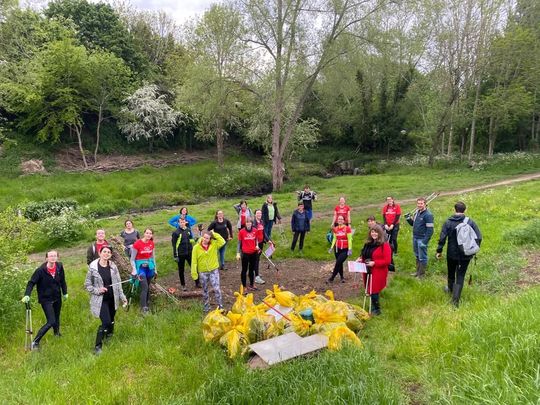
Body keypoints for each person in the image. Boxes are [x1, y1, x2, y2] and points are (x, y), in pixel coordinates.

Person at [436, 201, 482, 307]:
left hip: (451, 254)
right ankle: (455, 301)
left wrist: (439, 250)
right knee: (460, 275)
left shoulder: (448, 222)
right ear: (465, 210)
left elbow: (442, 238)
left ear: (454, 209)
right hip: (465, 254)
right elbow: (479, 237)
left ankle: (450, 290)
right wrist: (473, 250)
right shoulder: (470, 222)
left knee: (451, 272)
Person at [84, 246, 127, 355]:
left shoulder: (113, 267)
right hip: (101, 300)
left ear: (111, 255)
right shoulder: (93, 268)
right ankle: (97, 347)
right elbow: (87, 285)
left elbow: (118, 283)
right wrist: (98, 290)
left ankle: (109, 335)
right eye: (104, 252)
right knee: (106, 322)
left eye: (109, 252)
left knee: (112, 319)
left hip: (113, 298)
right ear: (100, 253)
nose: (106, 254)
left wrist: (122, 297)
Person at [21, 250, 68, 350]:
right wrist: (27, 295)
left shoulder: (59, 266)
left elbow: (63, 281)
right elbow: (31, 283)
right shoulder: (40, 270)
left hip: (57, 297)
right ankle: (35, 342)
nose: (53, 258)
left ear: (57, 257)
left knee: (57, 316)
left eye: (55, 256)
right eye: (51, 256)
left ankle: (56, 334)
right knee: (51, 321)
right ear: (46, 258)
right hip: (45, 299)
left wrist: (65, 292)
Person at [357, 226, 392, 315]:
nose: (374, 234)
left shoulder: (385, 245)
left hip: (378, 271)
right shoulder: (368, 243)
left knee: (374, 289)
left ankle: (377, 309)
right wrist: (360, 259)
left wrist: (375, 263)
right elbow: (364, 255)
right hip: (367, 269)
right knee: (369, 288)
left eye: (376, 232)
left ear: (380, 233)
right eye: (372, 232)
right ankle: (373, 304)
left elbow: (387, 261)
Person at [191, 230, 226, 313]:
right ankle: (206, 306)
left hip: (213, 270)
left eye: (207, 238)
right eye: (204, 237)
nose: (205, 239)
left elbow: (222, 241)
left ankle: (220, 306)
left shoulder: (214, 244)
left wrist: (214, 233)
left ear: (210, 239)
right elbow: (194, 261)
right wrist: (194, 274)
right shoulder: (196, 248)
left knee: (217, 288)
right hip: (203, 272)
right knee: (205, 290)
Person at [130, 228, 157, 314]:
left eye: (150, 233)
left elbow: (153, 257)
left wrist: (155, 269)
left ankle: (147, 302)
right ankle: (143, 308)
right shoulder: (137, 243)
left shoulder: (151, 243)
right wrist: (134, 270)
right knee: (144, 287)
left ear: (152, 235)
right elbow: (132, 259)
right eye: (147, 233)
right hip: (140, 268)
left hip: (149, 267)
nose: (148, 235)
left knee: (148, 286)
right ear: (144, 233)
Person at [406, 197, 434, 278]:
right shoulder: (417, 212)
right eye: (418, 203)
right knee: (417, 255)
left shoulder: (428, 215)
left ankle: (421, 275)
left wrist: (424, 242)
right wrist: (408, 219)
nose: (419, 205)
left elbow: (430, 230)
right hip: (415, 237)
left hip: (422, 239)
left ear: (425, 204)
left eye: (421, 203)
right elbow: (413, 224)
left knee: (423, 257)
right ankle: (417, 272)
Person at [172, 218, 197, 291]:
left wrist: (195, 239)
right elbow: (174, 245)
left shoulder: (188, 230)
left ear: (185, 222)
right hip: (180, 254)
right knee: (181, 270)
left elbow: (190, 240)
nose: (182, 223)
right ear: (178, 223)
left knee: (193, 268)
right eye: (181, 222)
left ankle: (197, 282)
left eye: (183, 222)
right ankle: (183, 285)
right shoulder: (176, 233)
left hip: (189, 253)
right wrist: (175, 256)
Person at [236, 218, 262, 291]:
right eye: (247, 223)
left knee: (252, 269)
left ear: (251, 223)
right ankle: (244, 286)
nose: (248, 224)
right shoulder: (241, 232)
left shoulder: (255, 230)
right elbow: (239, 243)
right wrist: (238, 252)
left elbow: (256, 239)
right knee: (244, 270)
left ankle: (251, 284)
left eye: (250, 222)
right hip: (245, 254)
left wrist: (257, 246)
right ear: (245, 224)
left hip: (253, 253)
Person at [327, 215, 352, 283]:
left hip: (345, 249)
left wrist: (350, 249)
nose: (340, 220)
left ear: (344, 221)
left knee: (338, 262)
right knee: (339, 263)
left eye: (341, 219)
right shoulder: (335, 229)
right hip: (337, 248)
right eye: (338, 219)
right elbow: (334, 238)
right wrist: (331, 247)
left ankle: (332, 278)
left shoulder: (347, 228)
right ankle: (342, 277)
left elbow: (349, 239)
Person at [253, 209, 271, 285]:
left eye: (260, 213)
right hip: (255, 244)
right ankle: (256, 277)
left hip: (260, 243)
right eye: (257, 213)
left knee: (257, 259)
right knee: (256, 259)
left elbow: (264, 233)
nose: (259, 214)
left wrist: (268, 240)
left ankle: (253, 272)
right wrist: (255, 244)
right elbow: (252, 234)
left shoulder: (261, 222)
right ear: (255, 215)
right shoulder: (253, 223)